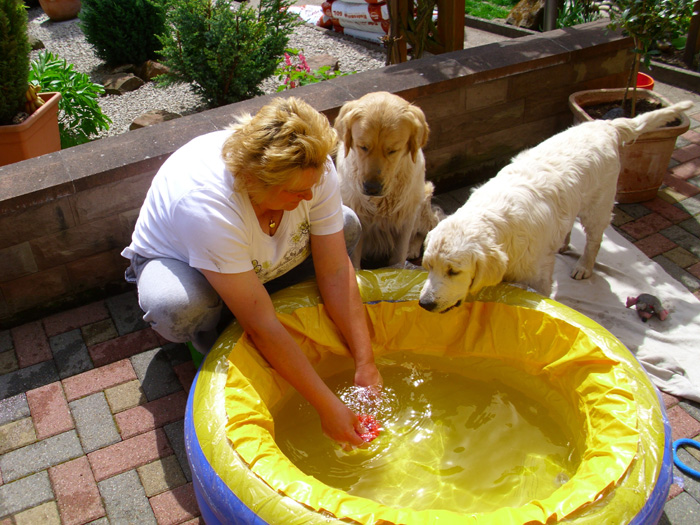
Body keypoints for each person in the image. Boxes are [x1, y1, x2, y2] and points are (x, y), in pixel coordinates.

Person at [121, 97, 382, 446]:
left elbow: (336, 270)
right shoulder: (208, 206)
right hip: (179, 262)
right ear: (251, 181)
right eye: (295, 192)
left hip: (254, 253)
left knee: (344, 224)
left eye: (313, 185)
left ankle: (250, 289)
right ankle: (208, 344)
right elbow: (261, 324)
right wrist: (328, 407)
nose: (309, 196)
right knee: (178, 306)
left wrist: (366, 363)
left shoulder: (311, 170)